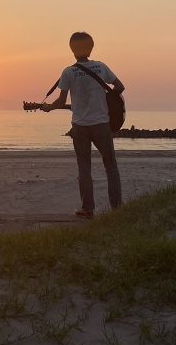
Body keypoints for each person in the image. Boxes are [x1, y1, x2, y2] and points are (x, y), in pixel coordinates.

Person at [41, 31, 124, 219]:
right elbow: (120, 87)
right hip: (102, 124)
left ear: (72, 49)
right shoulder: (101, 67)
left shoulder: (68, 72)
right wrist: (106, 99)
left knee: (84, 167)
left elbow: (61, 101)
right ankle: (117, 209)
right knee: (110, 166)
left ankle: (88, 209)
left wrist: (48, 108)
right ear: (91, 47)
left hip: (80, 127)